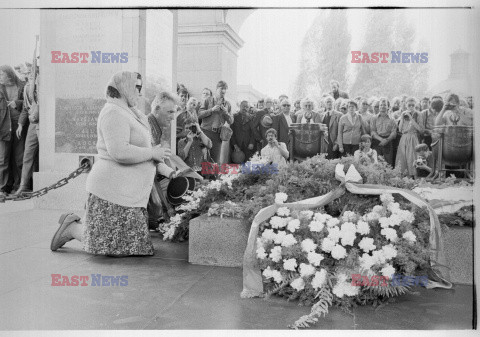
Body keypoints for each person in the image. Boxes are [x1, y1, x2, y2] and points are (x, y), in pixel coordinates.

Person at [50, 71, 171, 256]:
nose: (140, 92)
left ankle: (78, 229)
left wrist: (168, 170)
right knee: (115, 247)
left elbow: (147, 154)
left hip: (129, 193)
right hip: (111, 191)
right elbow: (119, 151)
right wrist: (152, 152)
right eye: (136, 87)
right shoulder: (112, 112)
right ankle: (72, 229)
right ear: (124, 88)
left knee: (137, 248)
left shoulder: (131, 113)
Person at [147, 91, 179, 229]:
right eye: (170, 112)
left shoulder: (153, 124)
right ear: (157, 109)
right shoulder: (149, 125)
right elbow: (153, 159)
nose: (172, 117)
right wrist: (170, 172)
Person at [0, 65, 26, 196]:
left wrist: (18, 103)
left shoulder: (21, 84)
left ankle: (19, 186)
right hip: (4, 125)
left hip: (18, 124)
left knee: (19, 157)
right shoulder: (0, 87)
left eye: (1, 75)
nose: (0, 77)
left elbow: (27, 103)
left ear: (8, 75)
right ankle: (4, 188)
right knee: (3, 158)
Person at [16, 64, 40, 194]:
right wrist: (20, 124)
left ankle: (39, 185)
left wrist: (35, 115)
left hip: (44, 123)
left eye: (33, 72)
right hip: (32, 123)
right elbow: (26, 108)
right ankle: (24, 185)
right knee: (28, 154)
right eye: (29, 72)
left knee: (43, 156)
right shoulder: (27, 89)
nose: (30, 74)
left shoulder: (44, 86)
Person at [198, 80, 234, 164]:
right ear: (216, 89)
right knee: (202, 157)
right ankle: (203, 177)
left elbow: (231, 121)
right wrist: (211, 110)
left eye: (225, 89)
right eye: (221, 88)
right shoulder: (207, 100)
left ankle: (212, 177)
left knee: (215, 159)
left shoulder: (228, 104)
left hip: (218, 135)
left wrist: (226, 112)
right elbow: (199, 114)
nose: (223, 91)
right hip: (205, 132)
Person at [395, 97, 425, 177]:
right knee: (402, 157)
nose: (411, 107)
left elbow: (420, 129)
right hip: (404, 138)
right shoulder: (403, 114)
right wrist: (402, 118)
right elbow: (400, 130)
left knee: (413, 157)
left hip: (413, 137)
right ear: (406, 105)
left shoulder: (418, 114)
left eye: (413, 105)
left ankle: (415, 176)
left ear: (415, 105)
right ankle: (403, 177)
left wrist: (411, 118)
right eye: (409, 105)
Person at [370, 97, 397, 166]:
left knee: (388, 162)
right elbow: (373, 131)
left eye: (384, 105)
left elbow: (394, 133)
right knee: (376, 161)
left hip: (388, 141)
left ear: (388, 107)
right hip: (377, 141)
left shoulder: (392, 119)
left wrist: (386, 140)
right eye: (381, 105)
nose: (382, 106)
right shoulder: (374, 118)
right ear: (379, 107)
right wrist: (381, 139)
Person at [320, 95, 342, 159]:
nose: (329, 103)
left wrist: (337, 143)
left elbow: (340, 131)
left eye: (331, 102)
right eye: (327, 102)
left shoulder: (339, 115)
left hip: (333, 142)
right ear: (325, 104)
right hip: (324, 143)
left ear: (334, 103)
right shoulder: (322, 115)